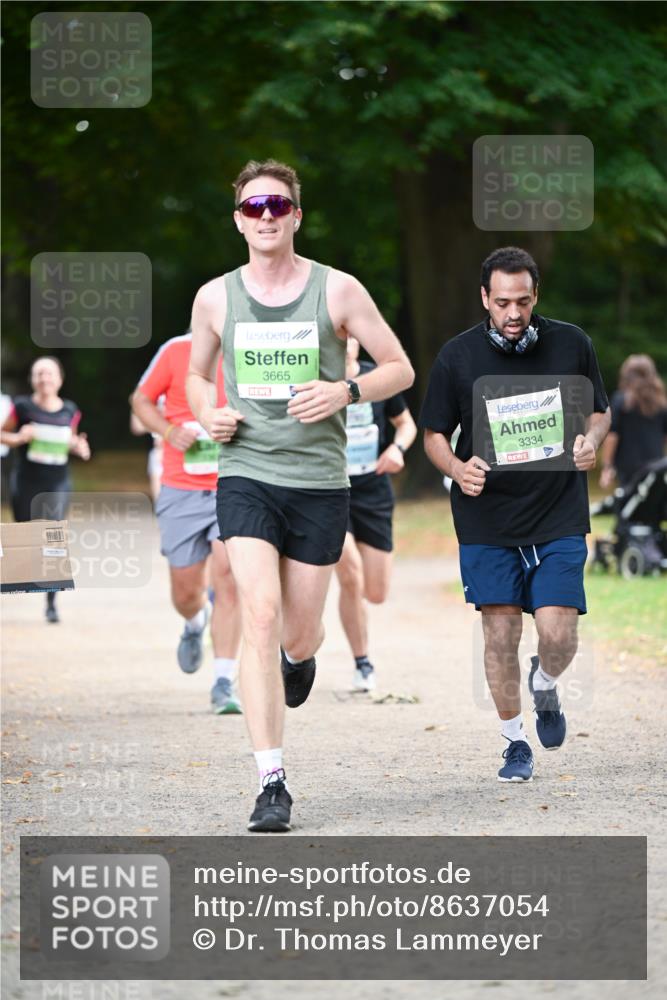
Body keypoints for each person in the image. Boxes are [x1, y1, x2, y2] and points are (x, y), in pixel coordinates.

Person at [186, 158, 414, 831]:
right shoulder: (215, 298)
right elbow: (197, 378)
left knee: (296, 630)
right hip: (246, 473)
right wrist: (208, 413)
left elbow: (398, 365)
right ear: (237, 219)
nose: (264, 216)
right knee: (256, 613)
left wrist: (343, 390)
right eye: (252, 207)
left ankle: (298, 657)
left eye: (276, 206)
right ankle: (271, 783)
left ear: (295, 216)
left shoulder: (338, 291)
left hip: (318, 483)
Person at [420, 246, 610, 783]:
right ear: (484, 298)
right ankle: (514, 743)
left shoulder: (571, 343)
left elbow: (600, 409)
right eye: (501, 302)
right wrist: (457, 469)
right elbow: (433, 434)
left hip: (558, 513)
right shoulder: (457, 357)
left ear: (535, 297)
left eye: (522, 301)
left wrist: (591, 440)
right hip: (487, 519)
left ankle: (545, 681)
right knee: (499, 637)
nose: (512, 313)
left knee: (557, 632)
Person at [132, 331, 242, 714]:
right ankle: (195, 622)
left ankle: (224, 682)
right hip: (181, 488)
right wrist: (167, 430)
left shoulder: (247, 349)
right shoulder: (175, 349)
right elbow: (141, 400)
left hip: (236, 485)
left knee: (228, 577)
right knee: (184, 592)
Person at [335, 335, 417, 691]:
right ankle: (362, 661)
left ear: (356, 342)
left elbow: (407, 424)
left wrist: (397, 449)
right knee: (349, 573)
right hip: (330, 491)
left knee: (377, 591)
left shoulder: (376, 379)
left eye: (346, 339)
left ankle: (361, 650)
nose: (340, 346)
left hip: (374, 488)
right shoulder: (314, 382)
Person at [0, 357, 91, 622]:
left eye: (49, 374)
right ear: (32, 379)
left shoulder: (69, 410)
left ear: (59, 379)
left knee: (52, 535)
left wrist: (79, 446)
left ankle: (51, 603)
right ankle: (26, 576)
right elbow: (2, 434)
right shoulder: (22, 406)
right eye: (39, 374)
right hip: (26, 480)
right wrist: (19, 437)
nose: (44, 379)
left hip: (57, 482)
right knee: (25, 529)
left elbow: (72, 439)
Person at [599, 354, 667, 490]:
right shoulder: (661, 403)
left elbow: (612, 436)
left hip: (627, 465)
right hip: (655, 463)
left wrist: (607, 466)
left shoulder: (621, 400)